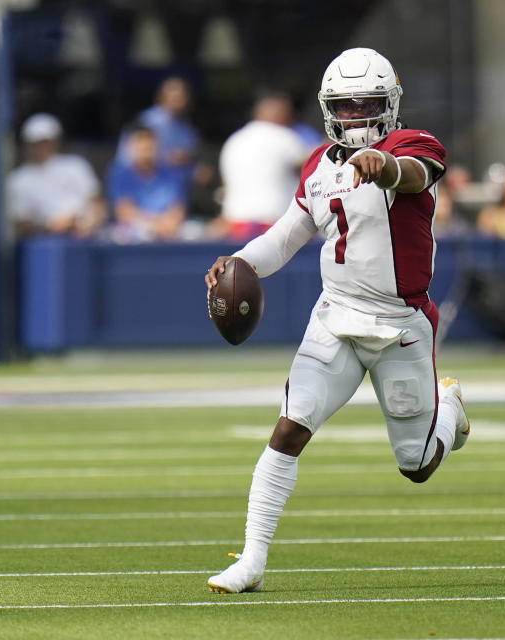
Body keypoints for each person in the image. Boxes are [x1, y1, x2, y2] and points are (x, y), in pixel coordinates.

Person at [203, 47, 470, 594]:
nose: (356, 114)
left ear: (390, 104)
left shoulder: (413, 145)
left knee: (416, 465)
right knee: (288, 427)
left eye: (367, 103)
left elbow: (418, 175)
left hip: (399, 326)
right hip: (335, 318)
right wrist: (239, 264)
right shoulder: (317, 166)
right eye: (344, 105)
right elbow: (285, 238)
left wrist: (387, 167)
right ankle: (251, 560)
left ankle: (451, 412)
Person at [212, 92, 309, 241]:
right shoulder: (283, 136)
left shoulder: (235, 139)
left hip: (235, 224)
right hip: (273, 223)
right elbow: (312, 170)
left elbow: (224, 185)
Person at [6, 113, 104, 238]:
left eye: (45, 142)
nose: (40, 148)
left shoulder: (76, 165)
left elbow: (97, 202)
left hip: (86, 238)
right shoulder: (18, 179)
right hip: (45, 244)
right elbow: (21, 221)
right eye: (35, 143)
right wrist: (52, 226)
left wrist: (90, 221)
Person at [106, 125, 187, 242]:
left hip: (169, 232)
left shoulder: (172, 173)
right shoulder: (120, 174)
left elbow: (178, 209)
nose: (146, 152)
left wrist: (166, 224)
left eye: (149, 148)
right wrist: (153, 226)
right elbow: (124, 211)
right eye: (141, 148)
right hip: (135, 236)